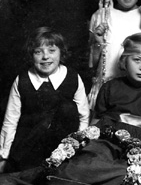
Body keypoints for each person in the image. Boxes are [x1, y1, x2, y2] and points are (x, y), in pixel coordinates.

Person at [0, 33, 141, 185]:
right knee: (80, 166)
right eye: (137, 60)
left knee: (122, 172)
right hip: (108, 138)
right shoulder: (110, 87)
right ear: (124, 60)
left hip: (140, 143)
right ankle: (23, 181)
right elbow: (95, 123)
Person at [0, 28, 90, 173]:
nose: (45, 57)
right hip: (29, 143)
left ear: (61, 52)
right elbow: (11, 120)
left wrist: (78, 146)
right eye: (38, 52)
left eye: (51, 50)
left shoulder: (72, 77)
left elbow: (83, 116)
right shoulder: (22, 80)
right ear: (31, 55)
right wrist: (4, 156)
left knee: (68, 108)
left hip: (62, 145)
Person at [88, 0, 141, 100]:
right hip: (107, 89)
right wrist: (97, 43)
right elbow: (92, 64)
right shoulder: (101, 15)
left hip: (137, 92)